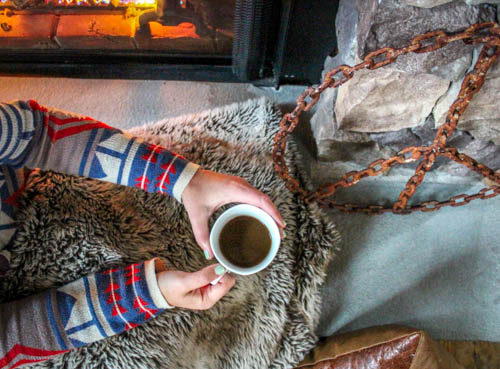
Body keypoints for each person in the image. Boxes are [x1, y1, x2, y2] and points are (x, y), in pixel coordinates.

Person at [0, 100, 285, 369]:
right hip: (45, 309)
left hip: (41, 189)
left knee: (226, 159)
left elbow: (40, 134)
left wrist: (185, 179)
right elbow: (15, 337)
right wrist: (149, 294)